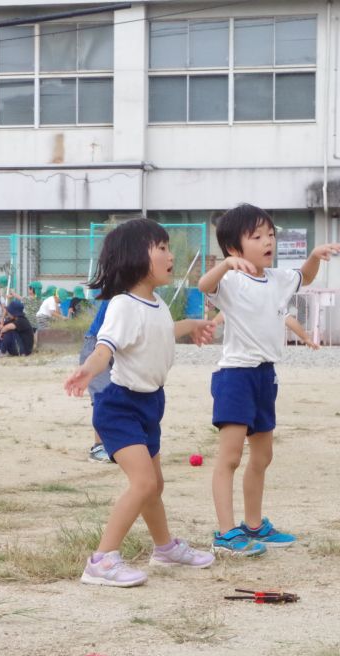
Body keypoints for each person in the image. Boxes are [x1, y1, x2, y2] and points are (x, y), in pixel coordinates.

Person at [64, 218, 217, 587]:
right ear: (134, 257)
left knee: (154, 484)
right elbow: (106, 347)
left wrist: (193, 323)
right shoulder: (122, 305)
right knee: (144, 483)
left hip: (150, 404)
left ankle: (164, 548)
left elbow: (162, 330)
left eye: (168, 247)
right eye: (161, 248)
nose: (170, 254)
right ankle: (101, 560)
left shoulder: (155, 303)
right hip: (120, 406)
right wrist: (88, 369)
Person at [198, 203, 340, 556]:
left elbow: (304, 277)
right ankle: (226, 532)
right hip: (235, 376)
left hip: (265, 375)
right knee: (229, 458)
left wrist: (313, 256)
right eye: (257, 236)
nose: (268, 241)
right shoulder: (230, 280)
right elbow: (205, 284)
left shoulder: (277, 278)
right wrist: (225, 265)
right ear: (234, 248)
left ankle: (253, 524)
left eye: (271, 234)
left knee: (262, 457)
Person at [81, 299, 114, 463]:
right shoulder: (119, 295)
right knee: (103, 396)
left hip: (117, 347)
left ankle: (119, 443)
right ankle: (99, 446)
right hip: (96, 345)